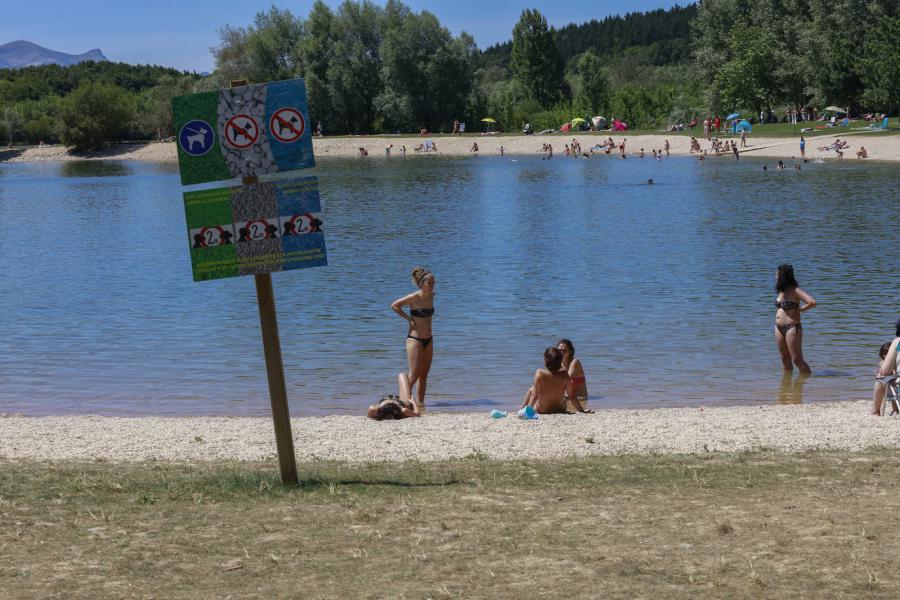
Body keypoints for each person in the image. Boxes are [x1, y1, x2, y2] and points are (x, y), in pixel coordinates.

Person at [390, 267, 436, 413]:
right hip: (414, 339)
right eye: (429, 282)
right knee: (414, 373)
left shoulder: (431, 296)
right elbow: (394, 305)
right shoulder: (414, 297)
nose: (432, 284)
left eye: (433, 282)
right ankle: (403, 402)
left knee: (424, 375)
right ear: (421, 283)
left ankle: (420, 405)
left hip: (428, 339)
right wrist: (408, 319)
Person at [774, 263, 816, 374]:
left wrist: (801, 309)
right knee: (784, 358)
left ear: (783, 276)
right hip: (778, 328)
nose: (775, 276)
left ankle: (806, 381)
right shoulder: (781, 291)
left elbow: (812, 302)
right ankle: (786, 387)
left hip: (792, 328)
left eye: (777, 274)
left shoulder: (795, 290)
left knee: (797, 360)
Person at [520, 347, 589, 414]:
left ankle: (523, 410)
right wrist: (582, 411)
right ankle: (523, 409)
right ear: (560, 361)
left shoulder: (540, 373)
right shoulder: (565, 374)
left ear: (545, 360)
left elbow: (534, 396)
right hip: (560, 409)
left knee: (532, 389)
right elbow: (571, 396)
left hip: (543, 410)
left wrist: (528, 410)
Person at [873, 318, 900, 416]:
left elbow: (884, 371)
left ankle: (875, 412)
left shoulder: (898, 342)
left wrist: (882, 366)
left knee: (881, 379)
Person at [557, 339, 591, 413]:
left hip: (580, 399)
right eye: (559, 350)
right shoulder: (559, 364)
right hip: (568, 398)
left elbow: (567, 378)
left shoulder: (575, 362)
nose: (561, 353)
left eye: (564, 351)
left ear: (570, 351)